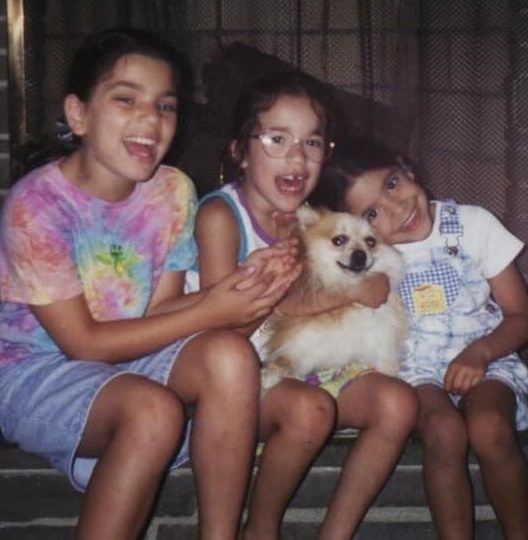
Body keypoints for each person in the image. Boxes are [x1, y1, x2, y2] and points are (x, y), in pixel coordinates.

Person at [0, 28, 300, 540]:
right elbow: (83, 344)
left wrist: (249, 288)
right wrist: (213, 309)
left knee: (230, 356)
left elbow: (161, 313)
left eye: (165, 106)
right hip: (41, 373)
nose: (151, 120)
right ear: (78, 114)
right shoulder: (35, 206)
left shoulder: (173, 191)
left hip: (133, 360)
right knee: (152, 411)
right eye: (126, 99)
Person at [187, 73, 418, 540]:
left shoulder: (312, 217)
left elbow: (364, 252)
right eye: (277, 140)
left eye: (312, 142)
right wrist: (349, 292)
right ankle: (262, 528)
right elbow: (224, 327)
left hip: (295, 367)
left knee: (397, 404)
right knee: (309, 411)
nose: (297, 157)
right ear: (239, 151)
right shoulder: (221, 216)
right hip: (228, 385)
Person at [311, 136, 528, 540]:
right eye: (373, 213)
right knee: (443, 431)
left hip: (487, 355)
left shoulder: (474, 224)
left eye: (392, 184)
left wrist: (480, 352)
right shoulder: (369, 256)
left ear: (406, 167)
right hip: (416, 370)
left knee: (489, 427)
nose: (397, 209)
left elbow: (521, 318)